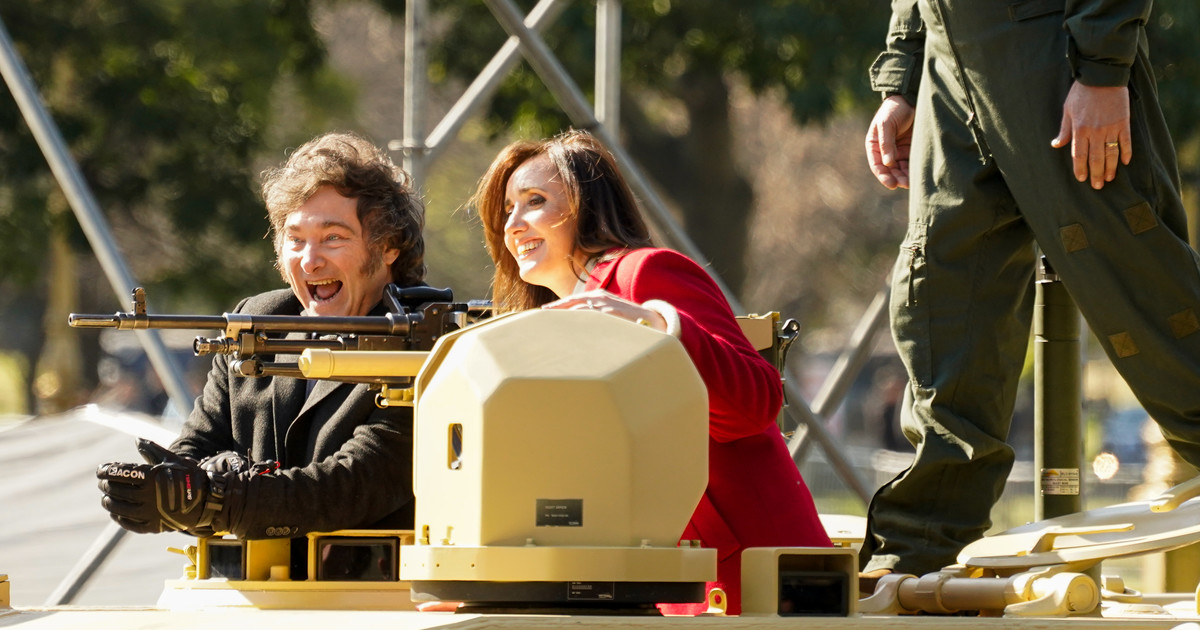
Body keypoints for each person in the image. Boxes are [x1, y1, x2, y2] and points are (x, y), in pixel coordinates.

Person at [860, 0, 1200, 580]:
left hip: (1052, 47)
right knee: (943, 313)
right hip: (947, 60)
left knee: (1150, 304)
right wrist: (905, 74)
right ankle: (914, 561)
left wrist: (1101, 66)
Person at [472, 129, 832, 614]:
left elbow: (754, 404)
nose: (513, 225)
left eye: (534, 201)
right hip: (660, 587)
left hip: (755, 586)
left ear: (587, 205)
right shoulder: (545, 326)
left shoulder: (645, 274)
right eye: (507, 210)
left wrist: (662, 326)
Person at [96, 132, 426, 558]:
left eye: (333, 237)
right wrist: (170, 492)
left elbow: (358, 482)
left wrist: (217, 498)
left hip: (374, 590)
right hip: (249, 586)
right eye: (295, 239)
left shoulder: (428, 338)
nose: (310, 260)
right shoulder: (258, 319)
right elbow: (196, 446)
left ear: (388, 247)